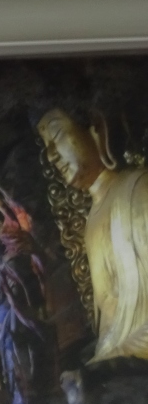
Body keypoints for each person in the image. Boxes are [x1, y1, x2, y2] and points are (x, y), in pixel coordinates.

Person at [37, 107, 148, 362]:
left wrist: (119, 351)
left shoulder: (138, 189)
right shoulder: (90, 223)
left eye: (57, 135)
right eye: (47, 146)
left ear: (98, 129)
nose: (52, 155)